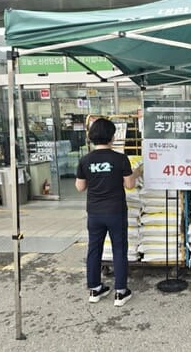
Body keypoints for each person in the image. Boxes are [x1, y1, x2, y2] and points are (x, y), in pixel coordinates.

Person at [75, 118, 142, 307]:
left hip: (95, 212)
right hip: (115, 211)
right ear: (112, 137)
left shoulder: (85, 160)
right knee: (119, 249)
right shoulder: (120, 159)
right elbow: (129, 184)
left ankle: (95, 289)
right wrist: (137, 172)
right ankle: (121, 292)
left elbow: (80, 187)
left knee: (94, 249)